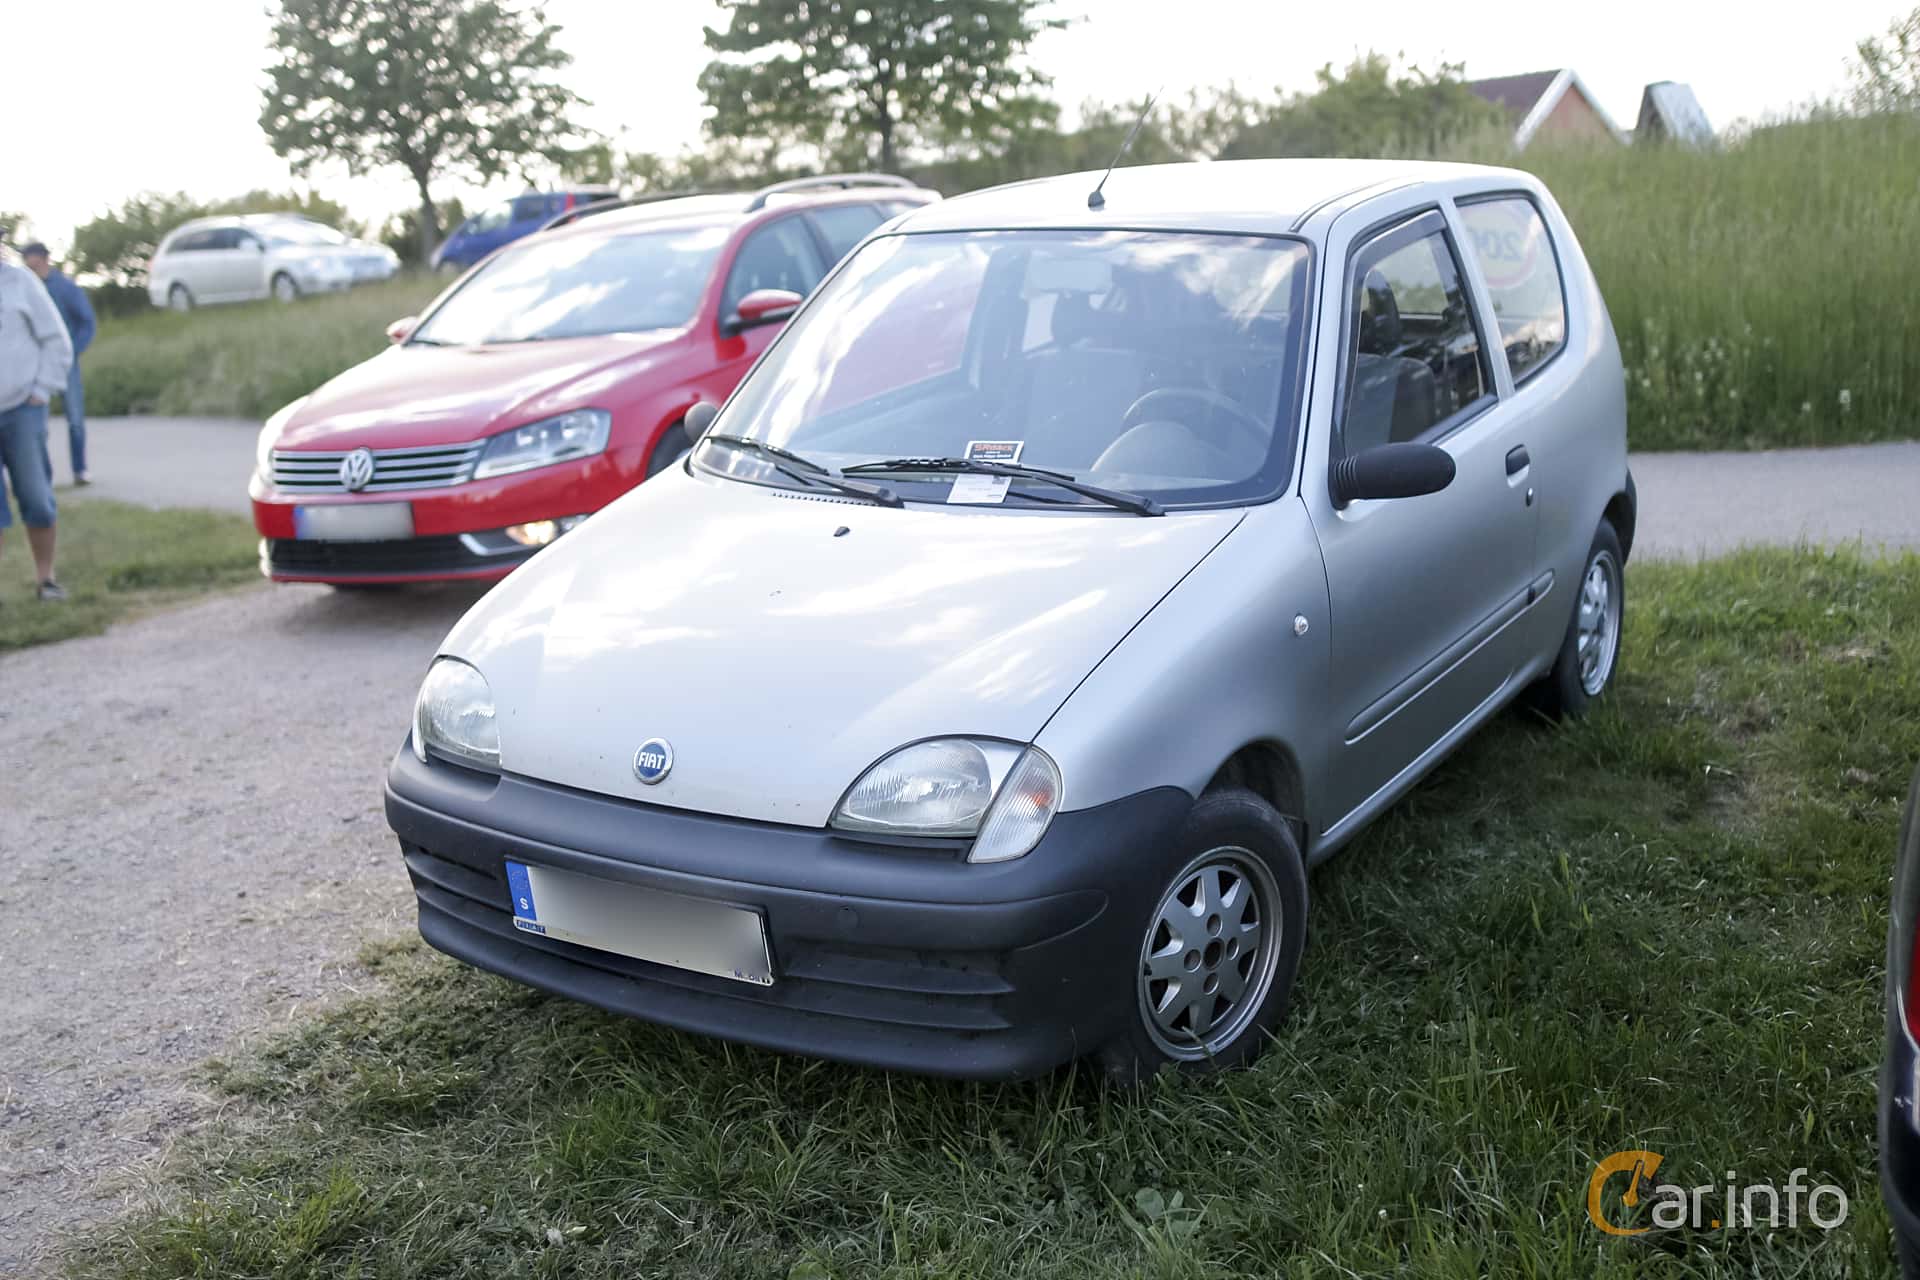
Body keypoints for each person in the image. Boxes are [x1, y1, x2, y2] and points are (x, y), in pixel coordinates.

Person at [0, 246, 73, 600]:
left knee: (36, 497)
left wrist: (43, 389)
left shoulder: (20, 282)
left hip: (22, 409)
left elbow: (56, 340)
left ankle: (46, 579)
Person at [20, 242, 96, 485]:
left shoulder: (65, 288)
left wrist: (72, 351)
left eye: (33, 259)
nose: (30, 265)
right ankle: (43, 476)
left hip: (66, 364)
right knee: (37, 423)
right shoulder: (25, 289)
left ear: (43, 259)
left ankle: (80, 470)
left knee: (75, 419)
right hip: (34, 367)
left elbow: (87, 322)